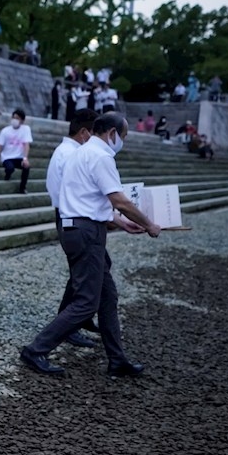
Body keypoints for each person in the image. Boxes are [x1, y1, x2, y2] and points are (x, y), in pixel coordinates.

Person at [20, 112, 161, 377]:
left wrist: (119, 222)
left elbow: (87, 198)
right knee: (86, 302)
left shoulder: (80, 153)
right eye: (124, 136)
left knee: (107, 296)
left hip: (77, 226)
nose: (123, 141)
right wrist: (149, 224)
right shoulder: (101, 156)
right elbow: (119, 200)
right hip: (86, 232)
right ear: (112, 133)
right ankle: (36, 349)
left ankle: (117, 360)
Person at [45, 109, 100, 349]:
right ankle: (68, 325)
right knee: (82, 273)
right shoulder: (71, 154)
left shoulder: (67, 151)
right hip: (73, 217)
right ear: (84, 132)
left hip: (68, 215)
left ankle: (78, 319)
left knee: (84, 272)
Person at [0, 108, 33, 194]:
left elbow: (26, 144)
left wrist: (25, 158)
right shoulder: (5, 131)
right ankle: (7, 175)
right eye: (14, 118)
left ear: (22, 120)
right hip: (7, 157)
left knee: (26, 167)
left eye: (17, 118)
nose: (15, 120)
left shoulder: (26, 129)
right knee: (10, 168)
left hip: (19, 157)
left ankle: (22, 188)